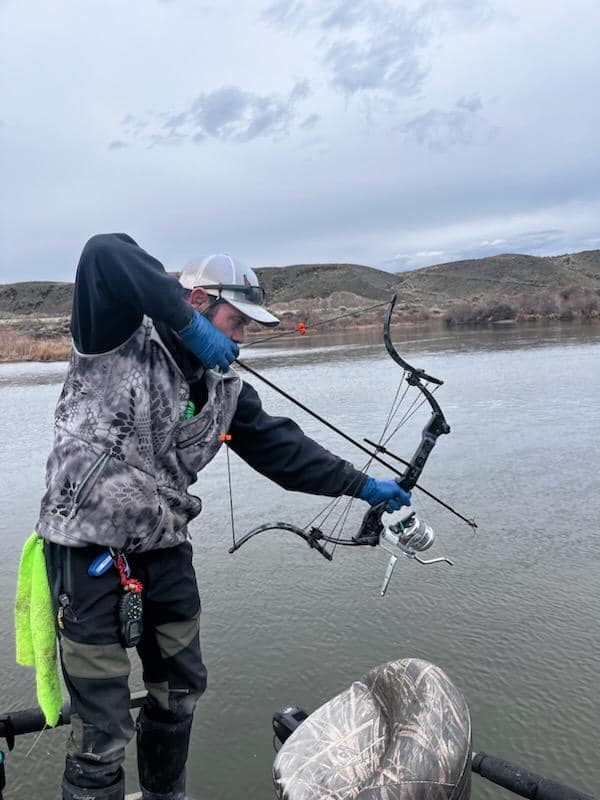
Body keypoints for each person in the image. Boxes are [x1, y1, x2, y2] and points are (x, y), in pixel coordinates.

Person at [36, 233, 411, 800]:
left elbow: (283, 451)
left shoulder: (224, 389)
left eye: (249, 328)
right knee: (103, 724)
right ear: (199, 302)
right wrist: (187, 330)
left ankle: (167, 795)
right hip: (85, 547)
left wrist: (364, 487)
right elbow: (102, 254)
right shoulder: (112, 333)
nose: (243, 337)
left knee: (179, 693)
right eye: (238, 322)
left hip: (163, 551)